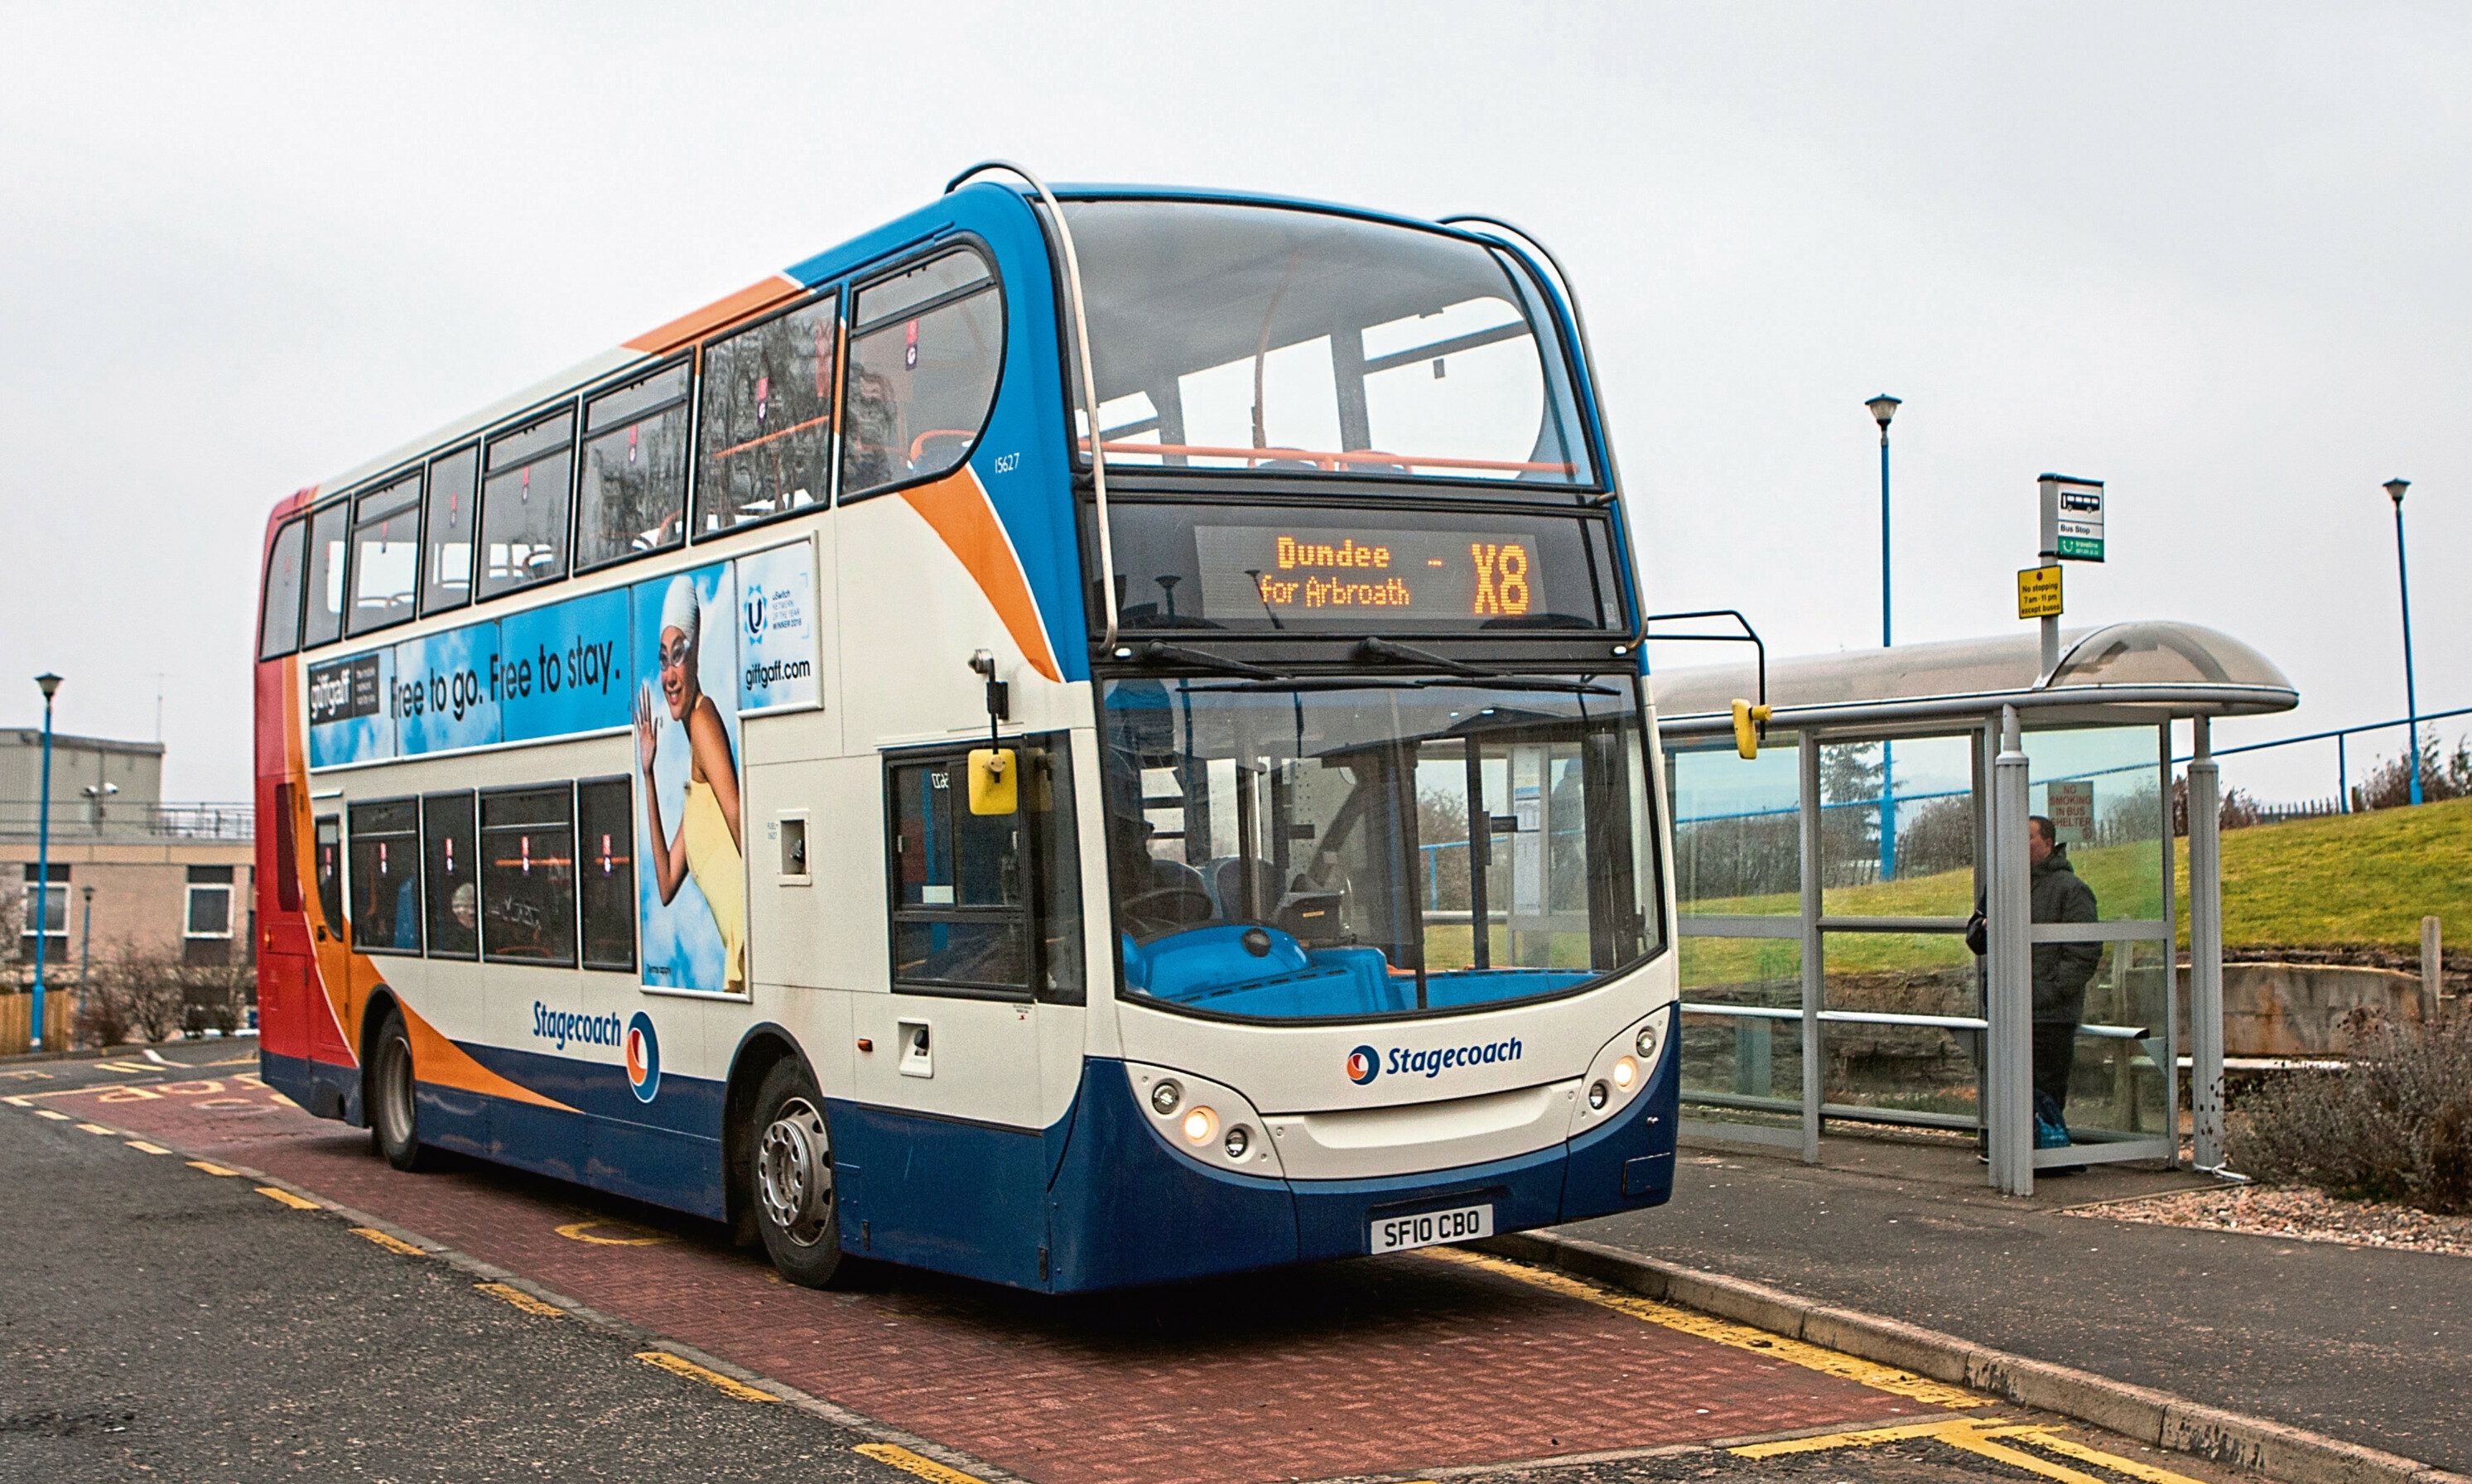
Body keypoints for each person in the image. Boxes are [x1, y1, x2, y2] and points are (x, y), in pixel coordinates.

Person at [634, 576, 746, 992]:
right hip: (741, 949)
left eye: (678, 655)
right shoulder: (696, 794)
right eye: (663, 660)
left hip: (751, 943)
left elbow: (737, 815)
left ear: (696, 654)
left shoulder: (702, 719)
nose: (669, 675)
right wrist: (647, 772)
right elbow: (665, 885)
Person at [1967, 814, 2100, 1158]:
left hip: (2050, 1015)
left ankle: (2044, 1152)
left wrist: (2048, 992)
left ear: (2048, 843)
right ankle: (2010, 1151)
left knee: (2045, 1089)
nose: (2018, 845)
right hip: (2006, 1005)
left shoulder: (2072, 890)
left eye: (2027, 838)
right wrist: (1984, 928)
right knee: (2008, 1084)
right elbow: (1975, 938)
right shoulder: (2001, 886)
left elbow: (2083, 954)